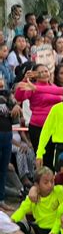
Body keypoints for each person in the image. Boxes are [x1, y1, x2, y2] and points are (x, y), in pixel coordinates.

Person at [11, 167, 63, 234]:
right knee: (20, 225)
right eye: (46, 182)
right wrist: (11, 221)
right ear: (37, 185)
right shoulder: (32, 197)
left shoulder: (58, 191)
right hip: (39, 229)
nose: (50, 185)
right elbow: (22, 209)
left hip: (55, 231)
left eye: (52, 181)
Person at [0, 76, 21, 211]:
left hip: (7, 134)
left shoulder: (6, 94)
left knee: (3, 170)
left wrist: (16, 106)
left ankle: (1, 199)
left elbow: (15, 107)